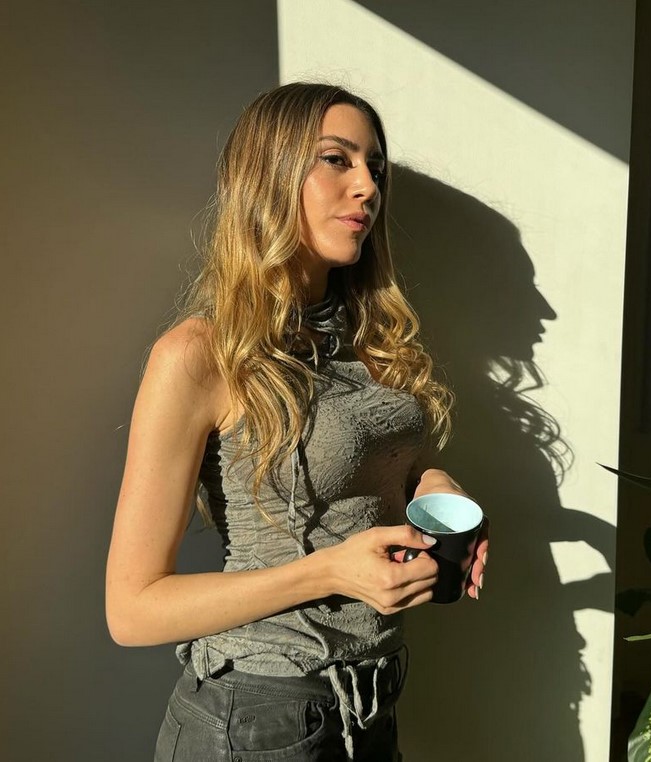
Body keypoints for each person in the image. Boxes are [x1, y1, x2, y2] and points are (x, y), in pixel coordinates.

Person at [105, 82, 489, 762]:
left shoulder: (368, 338)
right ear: (268, 177)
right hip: (254, 721)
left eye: (375, 168)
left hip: (370, 707)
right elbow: (132, 610)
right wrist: (329, 573)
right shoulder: (199, 356)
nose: (367, 187)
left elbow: (371, 463)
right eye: (336, 159)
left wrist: (432, 484)